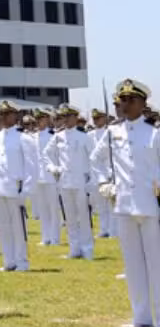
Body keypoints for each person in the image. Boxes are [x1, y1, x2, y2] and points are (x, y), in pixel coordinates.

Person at [91, 79, 160, 327]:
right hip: (124, 206)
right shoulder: (112, 132)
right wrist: (104, 184)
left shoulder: (154, 132)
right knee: (133, 266)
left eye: (132, 100)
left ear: (143, 103)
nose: (126, 105)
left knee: (157, 266)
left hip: (151, 207)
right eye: (123, 100)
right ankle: (141, 318)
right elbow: (96, 159)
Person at [42, 103, 95, 260]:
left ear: (75, 118)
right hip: (65, 181)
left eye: (68, 117)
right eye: (62, 117)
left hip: (81, 181)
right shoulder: (58, 136)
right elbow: (46, 154)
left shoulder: (84, 137)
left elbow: (93, 159)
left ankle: (87, 249)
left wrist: (91, 180)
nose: (64, 120)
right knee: (70, 217)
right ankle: (74, 248)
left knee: (84, 217)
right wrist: (53, 167)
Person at [0, 100, 34, 272]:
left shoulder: (24, 138)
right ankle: (9, 261)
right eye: (2, 114)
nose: (3, 117)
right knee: (4, 227)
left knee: (18, 228)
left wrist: (26, 190)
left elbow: (32, 167)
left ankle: (22, 262)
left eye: (7, 114)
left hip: (16, 188)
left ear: (15, 115)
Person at [30, 108, 61, 246]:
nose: (39, 121)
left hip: (51, 177)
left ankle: (55, 238)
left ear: (48, 119)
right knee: (42, 209)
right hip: (38, 177)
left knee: (53, 209)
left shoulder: (53, 135)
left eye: (41, 118)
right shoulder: (33, 136)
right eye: (37, 119)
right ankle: (46, 237)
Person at [89, 109, 116, 238]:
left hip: (109, 171)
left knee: (111, 203)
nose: (96, 121)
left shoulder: (110, 132)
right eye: (94, 119)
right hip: (95, 173)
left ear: (105, 118)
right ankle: (103, 229)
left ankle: (112, 230)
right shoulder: (90, 135)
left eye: (98, 118)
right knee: (100, 205)